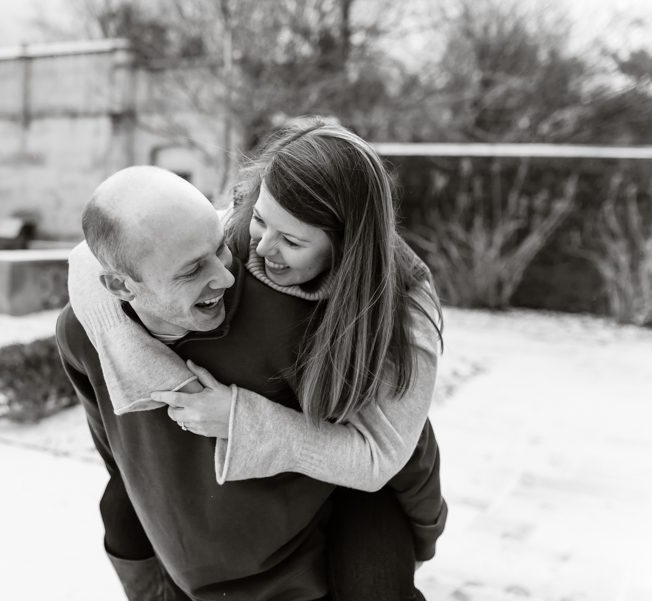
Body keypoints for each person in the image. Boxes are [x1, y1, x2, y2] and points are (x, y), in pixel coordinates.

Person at [57, 136, 443, 599]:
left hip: (334, 526)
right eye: (259, 222)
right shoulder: (216, 244)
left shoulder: (385, 317)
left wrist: (423, 532)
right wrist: (149, 370)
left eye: (293, 241)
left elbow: (395, 453)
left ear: (346, 247)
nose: (244, 261)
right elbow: (89, 256)